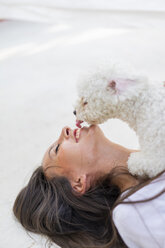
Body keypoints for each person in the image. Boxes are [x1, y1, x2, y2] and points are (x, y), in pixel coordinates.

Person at [13, 125, 165, 248]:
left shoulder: (157, 142)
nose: (64, 129)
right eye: (57, 149)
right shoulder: (132, 212)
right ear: (78, 183)